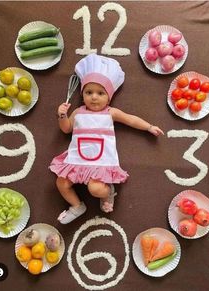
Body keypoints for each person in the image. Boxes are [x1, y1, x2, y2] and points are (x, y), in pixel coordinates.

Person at [49, 53, 164, 224]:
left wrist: (148, 127)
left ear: (109, 97)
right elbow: (66, 129)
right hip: (77, 160)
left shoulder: (111, 113)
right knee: (61, 183)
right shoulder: (78, 112)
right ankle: (77, 206)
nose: (94, 97)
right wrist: (62, 116)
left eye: (100, 93)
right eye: (89, 92)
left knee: (95, 189)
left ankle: (108, 192)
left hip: (100, 162)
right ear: (82, 95)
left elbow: (131, 119)